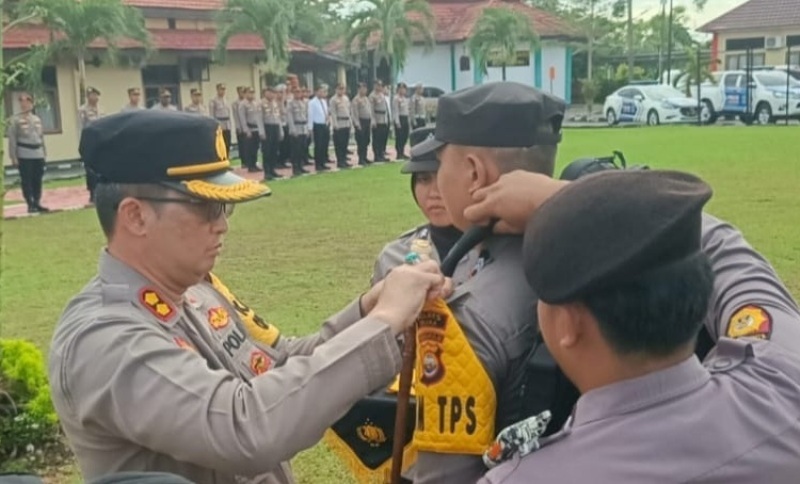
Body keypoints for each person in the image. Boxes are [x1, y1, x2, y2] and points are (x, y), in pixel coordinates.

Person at [48, 109, 449, 484]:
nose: (222, 225)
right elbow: (245, 427)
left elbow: (279, 366)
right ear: (135, 216)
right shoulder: (104, 338)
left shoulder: (196, 292)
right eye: (206, 207)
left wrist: (369, 311)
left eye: (224, 209)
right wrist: (385, 321)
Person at [469, 169, 800, 483]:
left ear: (568, 323)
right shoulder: (782, 385)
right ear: (697, 291)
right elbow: (733, 259)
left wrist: (576, 210)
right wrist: (566, 198)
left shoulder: (525, 477)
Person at [405, 81, 567, 483]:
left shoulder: (466, 320)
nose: (436, 181)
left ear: (474, 173)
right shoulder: (589, 260)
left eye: (440, 165)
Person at [371, 126, 474, 286]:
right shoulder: (394, 256)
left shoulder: (495, 253)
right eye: (424, 179)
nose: (434, 192)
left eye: (443, 177)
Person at [7, 92, 49, 213]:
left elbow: (41, 137)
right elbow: (12, 139)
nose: (25, 103)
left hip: (38, 153)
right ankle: (30, 203)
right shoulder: (15, 120)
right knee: (27, 179)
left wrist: (44, 153)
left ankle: (37, 201)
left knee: (37, 179)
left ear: (32, 103)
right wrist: (13, 156)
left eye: (27, 101)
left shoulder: (36, 119)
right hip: (24, 153)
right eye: (22, 101)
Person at [79, 87, 105, 204]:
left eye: (95, 95)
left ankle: (101, 191)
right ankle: (92, 193)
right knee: (90, 169)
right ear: (88, 97)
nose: (94, 97)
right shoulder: (83, 110)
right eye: (91, 95)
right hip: (89, 142)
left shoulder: (101, 109)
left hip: (101, 142)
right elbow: (81, 127)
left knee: (101, 168)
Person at [237, 86, 265, 172]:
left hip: (256, 128)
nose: (251, 94)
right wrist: (246, 130)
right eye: (249, 92)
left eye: (253, 92)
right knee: (250, 148)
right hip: (249, 128)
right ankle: (250, 166)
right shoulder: (243, 104)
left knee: (256, 148)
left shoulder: (256, 103)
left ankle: (254, 164)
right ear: (245, 94)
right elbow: (242, 119)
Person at [260, 86, 284, 181]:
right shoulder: (261, 103)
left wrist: (280, 130)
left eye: (273, 93)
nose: (272, 94)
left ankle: (273, 169)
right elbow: (259, 118)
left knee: (274, 150)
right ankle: (267, 172)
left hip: (275, 127)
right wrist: (262, 131)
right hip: (267, 127)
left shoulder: (275, 103)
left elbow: (278, 118)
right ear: (265, 93)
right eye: (269, 92)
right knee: (267, 151)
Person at [287, 86, 311, 177]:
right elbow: (290, 117)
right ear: (293, 93)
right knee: (295, 150)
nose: (298, 93)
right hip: (296, 127)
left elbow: (306, 115)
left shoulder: (303, 103)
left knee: (302, 149)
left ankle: (301, 166)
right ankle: (295, 168)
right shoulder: (290, 103)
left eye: (299, 92)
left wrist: (307, 128)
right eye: (296, 92)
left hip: (303, 127)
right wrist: (292, 129)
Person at [329, 83, 352, 170]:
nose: (341, 90)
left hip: (346, 122)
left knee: (345, 143)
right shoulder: (333, 100)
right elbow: (333, 113)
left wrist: (350, 123)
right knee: (339, 144)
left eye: (343, 89)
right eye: (340, 89)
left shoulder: (346, 98)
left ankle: (344, 160)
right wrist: (335, 124)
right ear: (336, 89)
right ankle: (340, 161)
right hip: (339, 122)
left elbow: (348, 111)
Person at [308, 85, 331, 172]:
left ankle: (323, 163)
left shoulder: (324, 101)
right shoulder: (312, 102)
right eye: (320, 91)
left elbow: (326, 112)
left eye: (323, 91)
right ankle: (318, 164)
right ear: (316, 92)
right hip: (317, 125)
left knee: (324, 145)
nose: (322, 93)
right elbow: (310, 115)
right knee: (319, 145)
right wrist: (310, 128)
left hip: (324, 124)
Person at [351, 82, 373, 166]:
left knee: (366, 140)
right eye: (362, 88)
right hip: (361, 122)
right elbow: (354, 113)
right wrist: (357, 124)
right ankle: (361, 158)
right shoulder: (356, 100)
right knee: (361, 141)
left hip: (367, 121)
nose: (364, 90)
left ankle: (365, 157)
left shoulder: (366, 99)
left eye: (365, 88)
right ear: (358, 89)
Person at [208, 83, 232, 158]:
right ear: (217, 90)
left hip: (227, 124)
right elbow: (212, 115)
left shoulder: (226, 99)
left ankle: (227, 159)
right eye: (221, 89)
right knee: (220, 144)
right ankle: (221, 159)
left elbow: (228, 113)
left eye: (224, 89)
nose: (223, 91)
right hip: (219, 124)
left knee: (227, 143)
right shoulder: (213, 101)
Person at [370, 81, 390, 162]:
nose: (379, 87)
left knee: (383, 138)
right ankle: (377, 155)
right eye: (378, 85)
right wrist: (373, 120)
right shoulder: (372, 96)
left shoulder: (382, 95)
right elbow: (371, 109)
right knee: (377, 139)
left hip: (383, 118)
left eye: (381, 85)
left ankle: (381, 154)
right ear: (375, 86)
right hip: (377, 119)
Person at [392, 82, 410, 160]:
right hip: (400, 118)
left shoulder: (405, 99)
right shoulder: (396, 99)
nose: (403, 90)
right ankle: (399, 153)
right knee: (399, 137)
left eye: (404, 89)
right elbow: (395, 111)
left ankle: (402, 151)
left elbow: (407, 111)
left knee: (404, 137)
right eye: (401, 89)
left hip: (405, 118)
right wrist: (397, 122)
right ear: (398, 89)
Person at [232, 86, 246, 165]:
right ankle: (243, 161)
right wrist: (238, 127)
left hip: (247, 127)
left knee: (248, 145)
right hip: (240, 126)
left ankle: (249, 160)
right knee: (242, 145)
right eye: (241, 92)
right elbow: (236, 116)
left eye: (243, 92)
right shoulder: (235, 103)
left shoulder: (246, 102)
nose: (242, 94)